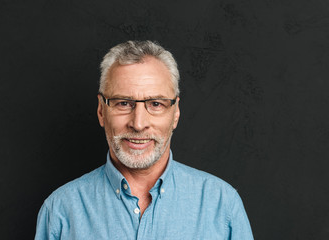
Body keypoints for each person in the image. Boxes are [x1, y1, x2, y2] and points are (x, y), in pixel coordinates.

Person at [34, 40, 254, 240]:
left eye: (156, 104)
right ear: (101, 111)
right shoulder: (60, 211)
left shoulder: (222, 205)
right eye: (123, 103)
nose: (138, 124)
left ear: (175, 113)